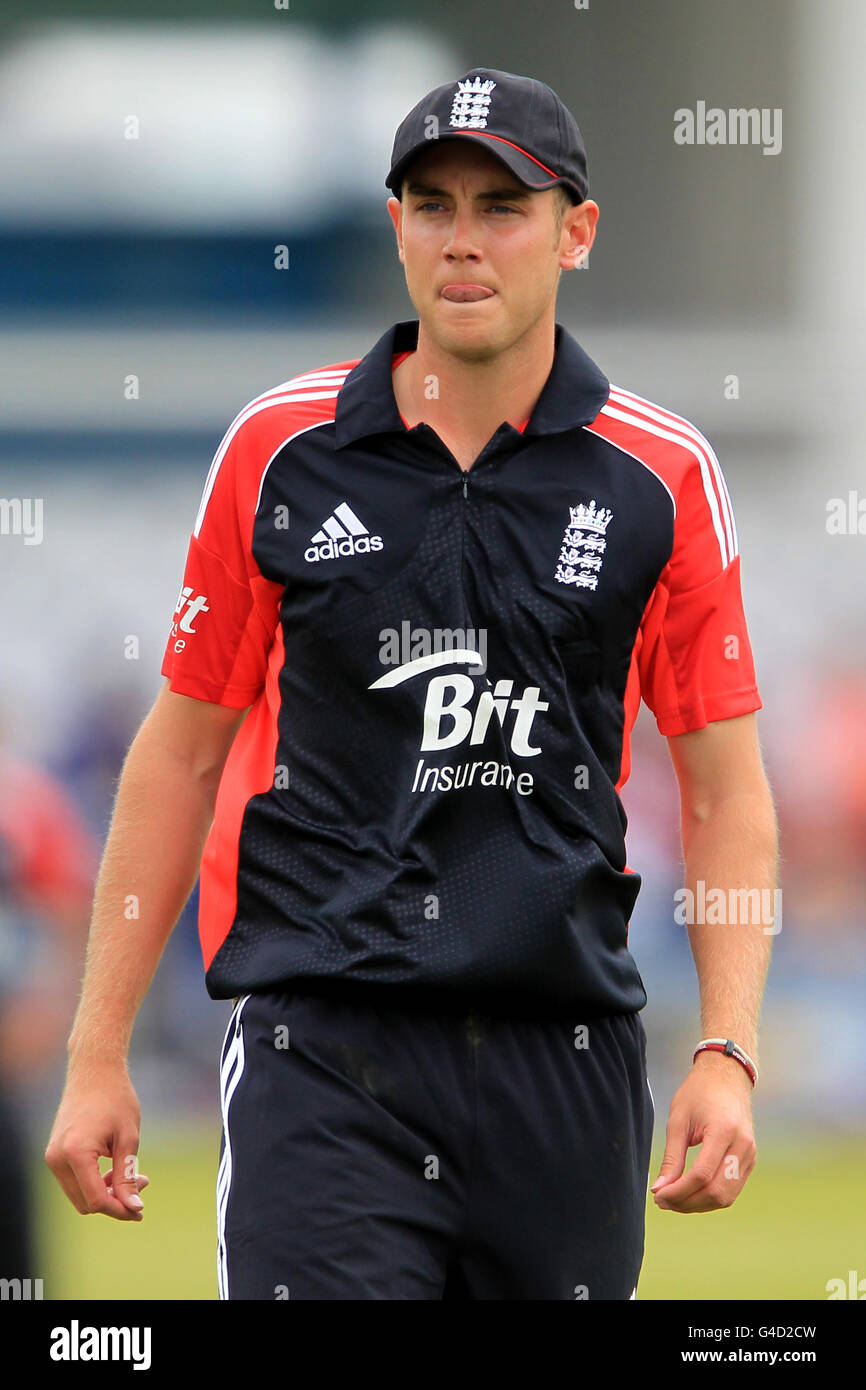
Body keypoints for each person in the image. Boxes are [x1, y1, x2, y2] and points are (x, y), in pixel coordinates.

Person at [46, 67, 778, 1300]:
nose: (463, 240)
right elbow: (178, 756)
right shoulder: (279, 449)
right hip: (319, 1048)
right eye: (430, 204)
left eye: (503, 206)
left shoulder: (660, 475)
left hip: (564, 1057)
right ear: (395, 226)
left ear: (575, 231)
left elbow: (725, 795)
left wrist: (727, 1049)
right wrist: (96, 1048)